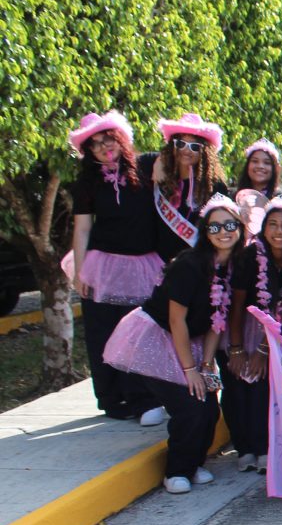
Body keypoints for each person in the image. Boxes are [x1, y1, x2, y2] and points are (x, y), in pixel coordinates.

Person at [104, 197, 244, 494]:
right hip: (158, 339)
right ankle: (176, 471)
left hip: (194, 343)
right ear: (205, 232)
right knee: (189, 406)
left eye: (230, 225)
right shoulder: (189, 265)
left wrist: (206, 366)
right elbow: (176, 320)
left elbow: (216, 322)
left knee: (209, 409)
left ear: (240, 228)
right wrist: (190, 370)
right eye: (215, 227)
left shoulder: (232, 269)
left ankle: (192, 464)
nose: (223, 232)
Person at [68, 111, 163, 424]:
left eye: (107, 139)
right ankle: (111, 399)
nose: (103, 147)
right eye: (94, 144)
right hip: (103, 266)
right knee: (102, 332)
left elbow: (179, 167)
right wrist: (80, 272)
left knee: (139, 332)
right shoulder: (86, 183)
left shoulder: (147, 165)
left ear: (120, 138)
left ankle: (144, 398)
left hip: (144, 264)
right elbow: (82, 229)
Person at [224, 195, 282, 472]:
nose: (279, 231)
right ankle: (243, 448)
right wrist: (236, 349)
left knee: (266, 387)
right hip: (246, 327)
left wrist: (263, 350)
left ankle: (263, 448)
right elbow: (237, 306)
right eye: (273, 224)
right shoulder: (249, 256)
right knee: (238, 383)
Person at [151, 113, 229, 262]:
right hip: (160, 264)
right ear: (172, 146)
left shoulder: (215, 186)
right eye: (180, 144)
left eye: (194, 146)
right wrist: (159, 160)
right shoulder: (162, 177)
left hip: (197, 264)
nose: (186, 150)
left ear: (204, 152)